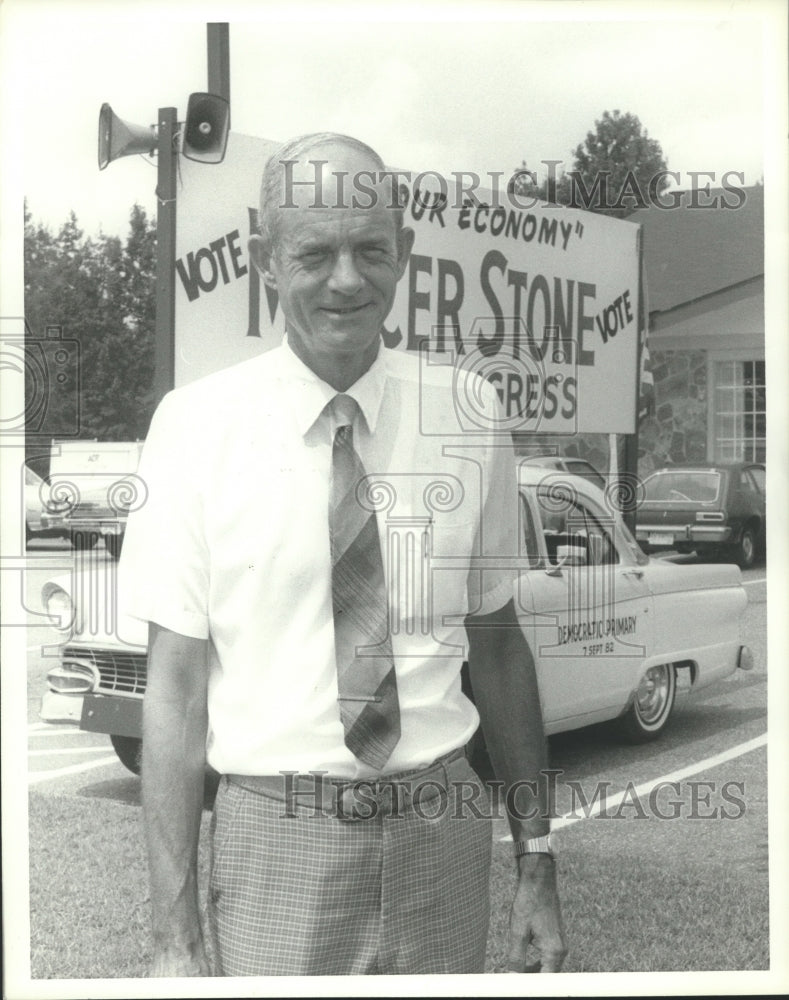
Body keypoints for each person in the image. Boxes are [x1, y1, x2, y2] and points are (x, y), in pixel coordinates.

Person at [119, 132, 567, 977]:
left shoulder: (468, 410)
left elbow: (500, 648)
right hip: (276, 846)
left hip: (443, 837)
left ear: (403, 252)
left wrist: (535, 857)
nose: (347, 279)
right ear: (264, 259)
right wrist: (173, 937)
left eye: (370, 249)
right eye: (315, 252)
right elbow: (174, 691)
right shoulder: (194, 426)